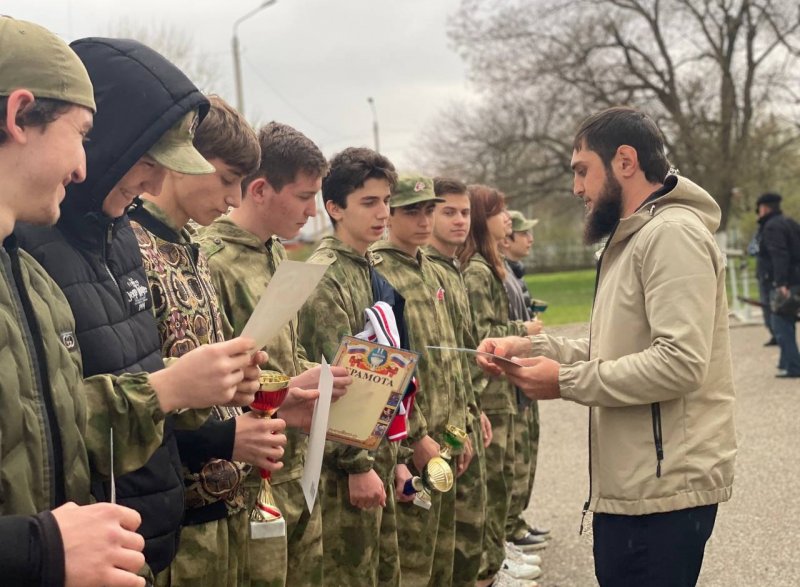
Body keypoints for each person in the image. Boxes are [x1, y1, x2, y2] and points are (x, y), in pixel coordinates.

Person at [0, 17, 254, 587]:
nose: (84, 166)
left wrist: (203, 398)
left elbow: (49, 427)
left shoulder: (26, 277)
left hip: (126, 547)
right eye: (82, 134)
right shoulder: (35, 259)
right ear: (20, 116)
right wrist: (39, 550)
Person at [477, 107, 737, 587]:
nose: (577, 188)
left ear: (625, 160)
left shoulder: (670, 235)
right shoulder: (634, 236)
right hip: (636, 486)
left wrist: (564, 382)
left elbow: (680, 364)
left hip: (664, 490)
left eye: (582, 170)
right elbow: (615, 348)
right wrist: (535, 349)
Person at [129, 95, 317, 585]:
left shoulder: (188, 248)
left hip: (225, 503)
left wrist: (273, 400)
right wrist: (225, 436)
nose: (234, 199)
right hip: (174, 518)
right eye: (227, 179)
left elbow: (214, 384)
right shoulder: (131, 249)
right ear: (183, 159)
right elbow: (132, 402)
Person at [198, 121, 351, 587]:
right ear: (261, 189)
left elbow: (288, 351)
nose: (312, 211)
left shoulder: (277, 256)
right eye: (304, 197)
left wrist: (316, 376)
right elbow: (205, 385)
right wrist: (283, 394)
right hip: (246, 479)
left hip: (295, 464)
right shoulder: (211, 260)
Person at [298, 146, 404, 586]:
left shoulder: (366, 267)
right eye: (369, 202)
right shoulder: (326, 273)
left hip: (375, 454)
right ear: (334, 208)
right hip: (342, 468)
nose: (383, 213)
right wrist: (357, 466)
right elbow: (338, 383)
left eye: (386, 202)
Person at [370, 175, 469, 587]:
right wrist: (413, 437)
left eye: (429, 209)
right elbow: (390, 368)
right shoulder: (380, 270)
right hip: (414, 439)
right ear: (390, 214)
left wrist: (466, 418)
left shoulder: (431, 268)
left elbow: (450, 354)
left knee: (441, 551)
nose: (424, 219)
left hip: (447, 429)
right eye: (412, 210)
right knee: (412, 559)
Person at [459, 186, 542, 587]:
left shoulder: (492, 265)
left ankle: (497, 554)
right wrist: (523, 331)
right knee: (493, 481)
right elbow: (481, 333)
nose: (508, 218)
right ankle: (491, 565)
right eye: (499, 211)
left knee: (504, 476)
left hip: (503, 386)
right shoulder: (477, 270)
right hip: (490, 388)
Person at [424, 177, 490, 586]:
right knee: (436, 553)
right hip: (430, 428)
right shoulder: (423, 269)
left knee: (468, 530)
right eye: (448, 211)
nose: (460, 220)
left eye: (465, 212)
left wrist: (473, 409)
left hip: (457, 419)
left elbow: (460, 354)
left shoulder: (451, 270)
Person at [500, 211, 549, 553]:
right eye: (523, 233)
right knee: (507, 464)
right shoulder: (492, 272)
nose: (529, 239)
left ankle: (514, 524)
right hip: (500, 381)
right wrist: (524, 330)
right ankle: (508, 534)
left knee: (522, 457)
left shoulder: (512, 272)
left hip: (516, 378)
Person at [754, 192, 800, 378]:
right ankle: (785, 361)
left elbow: (779, 255)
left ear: (764, 208)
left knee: (780, 323)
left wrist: (781, 283)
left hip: (783, 283)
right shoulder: (790, 223)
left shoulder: (771, 227)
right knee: (786, 321)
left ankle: (793, 366)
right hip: (795, 280)